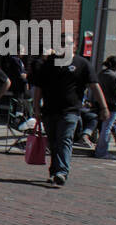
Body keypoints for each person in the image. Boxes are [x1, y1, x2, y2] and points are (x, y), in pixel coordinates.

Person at [30, 48, 108, 186]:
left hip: (70, 111)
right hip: (49, 110)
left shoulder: (82, 64)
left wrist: (104, 107)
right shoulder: (49, 64)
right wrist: (36, 107)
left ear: (74, 46)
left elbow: (94, 86)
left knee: (64, 139)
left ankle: (62, 172)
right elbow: (39, 87)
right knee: (53, 142)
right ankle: (54, 171)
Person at [94, 55, 116, 159]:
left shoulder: (101, 74)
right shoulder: (114, 76)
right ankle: (102, 151)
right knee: (106, 128)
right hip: (111, 104)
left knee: (102, 128)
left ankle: (100, 149)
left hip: (101, 103)